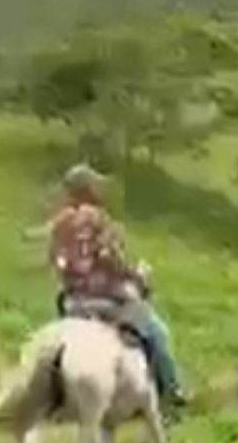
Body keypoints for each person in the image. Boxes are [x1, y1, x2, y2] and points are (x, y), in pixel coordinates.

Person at [46, 163, 188, 409]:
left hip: (72, 302)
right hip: (105, 299)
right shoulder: (97, 219)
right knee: (157, 332)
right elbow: (112, 261)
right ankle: (172, 389)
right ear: (88, 189)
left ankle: (54, 395)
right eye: (96, 185)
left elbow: (56, 263)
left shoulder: (58, 226)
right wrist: (139, 276)